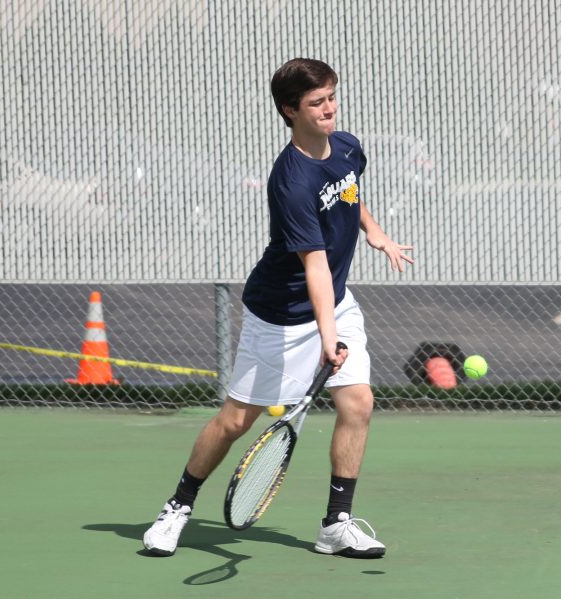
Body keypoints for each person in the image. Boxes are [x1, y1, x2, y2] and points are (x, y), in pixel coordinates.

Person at [142, 57, 413, 559]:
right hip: (282, 315)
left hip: (335, 302)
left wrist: (374, 233)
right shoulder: (289, 181)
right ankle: (177, 507)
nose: (329, 109)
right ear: (291, 111)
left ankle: (336, 524)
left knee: (358, 403)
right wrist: (327, 335)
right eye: (317, 103)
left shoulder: (348, 145)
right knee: (235, 421)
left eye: (332, 97)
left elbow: (350, 191)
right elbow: (313, 266)